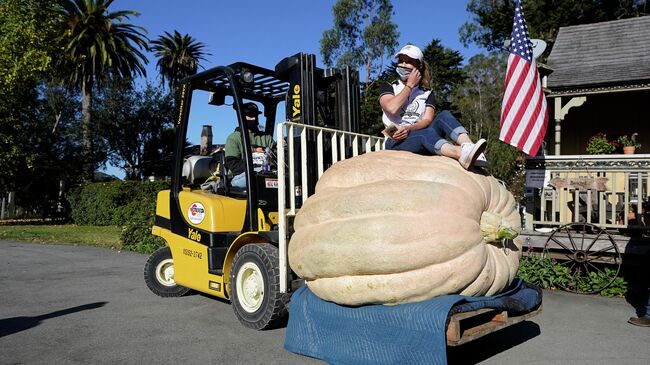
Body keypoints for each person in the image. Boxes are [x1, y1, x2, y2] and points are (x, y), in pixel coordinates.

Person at [379, 44, 487, 170]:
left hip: (417, 132)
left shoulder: (427, 93)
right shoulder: (388, 87)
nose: (403, 65)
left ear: (419, 66)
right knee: (425, 133)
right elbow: (392, 108)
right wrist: (409, 86)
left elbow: (427, 120)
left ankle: (469, 147)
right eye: (401, 61)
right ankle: (459, 153)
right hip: (396, 141)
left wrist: (410, 128)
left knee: (444, 115)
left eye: (408, 62)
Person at [224, 102, 275, 188]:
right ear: (242, 117)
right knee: (258, 175)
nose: (254, 118)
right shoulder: (234, 138)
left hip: (265, 173)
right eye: (250, 115)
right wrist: (256, 168)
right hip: (241, 176)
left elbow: (277, 155)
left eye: (256, 115)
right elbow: (233, 164)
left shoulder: (266, 138)